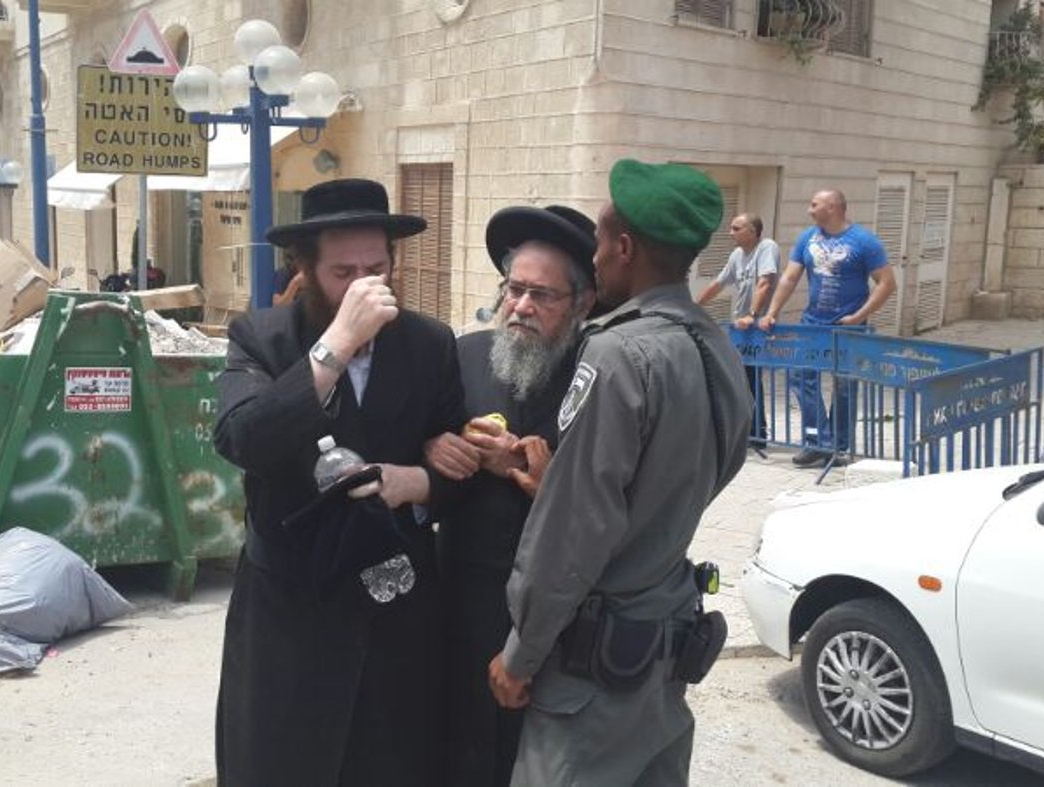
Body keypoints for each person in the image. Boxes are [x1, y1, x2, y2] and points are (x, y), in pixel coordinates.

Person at [487, 160, 752, 786]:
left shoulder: (615, 353)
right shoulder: (713, 345)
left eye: (601, 242)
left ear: (625, 248)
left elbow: (575, 527)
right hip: (663, 651)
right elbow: (724, 464)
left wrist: (521, 654)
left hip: (593, 679)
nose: (596, 257)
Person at [212, 178, 466, 787]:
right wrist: (337, 345)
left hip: (394, 603)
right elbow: (244, 439)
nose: (362, 287)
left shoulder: (429, 345)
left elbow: (458, 469)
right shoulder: (262, 338)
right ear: (305, 270)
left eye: (375, 270)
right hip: (291, 605)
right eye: (343, 273)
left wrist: (419, 481)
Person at [425, 205, 598, 787]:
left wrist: (537, 475)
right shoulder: (466, 354)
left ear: (581, 304)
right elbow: (423, 443)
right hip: (461, 598)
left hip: (552, 617)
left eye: (541, 295)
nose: (521, 306)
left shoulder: (599, 374)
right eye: (514, 289)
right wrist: (436, 448)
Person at [758, 189, 896, 467]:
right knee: (800, 377)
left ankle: (839, 446)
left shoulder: (864, 241)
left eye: (814, 205)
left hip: (848, 326)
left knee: (844, 385)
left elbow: (887, 283)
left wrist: (859, 316)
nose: (809, 210)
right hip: (812, 324)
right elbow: (789, 278)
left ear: (832, 207)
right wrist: (771, 312)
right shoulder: (807, 238)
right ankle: (818, 441)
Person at [696, 213, 781, 449]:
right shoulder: (736, 255)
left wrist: (752, 314)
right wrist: (694, 305)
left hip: (757, 327)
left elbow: (765, 283)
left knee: (751, 378)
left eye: (736, 228)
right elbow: (718, 283)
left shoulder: (767, 247)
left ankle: (757, 433)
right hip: (740, 328)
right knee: (738, 378)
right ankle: (746, 430)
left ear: (752, 231)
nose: (730, 232)